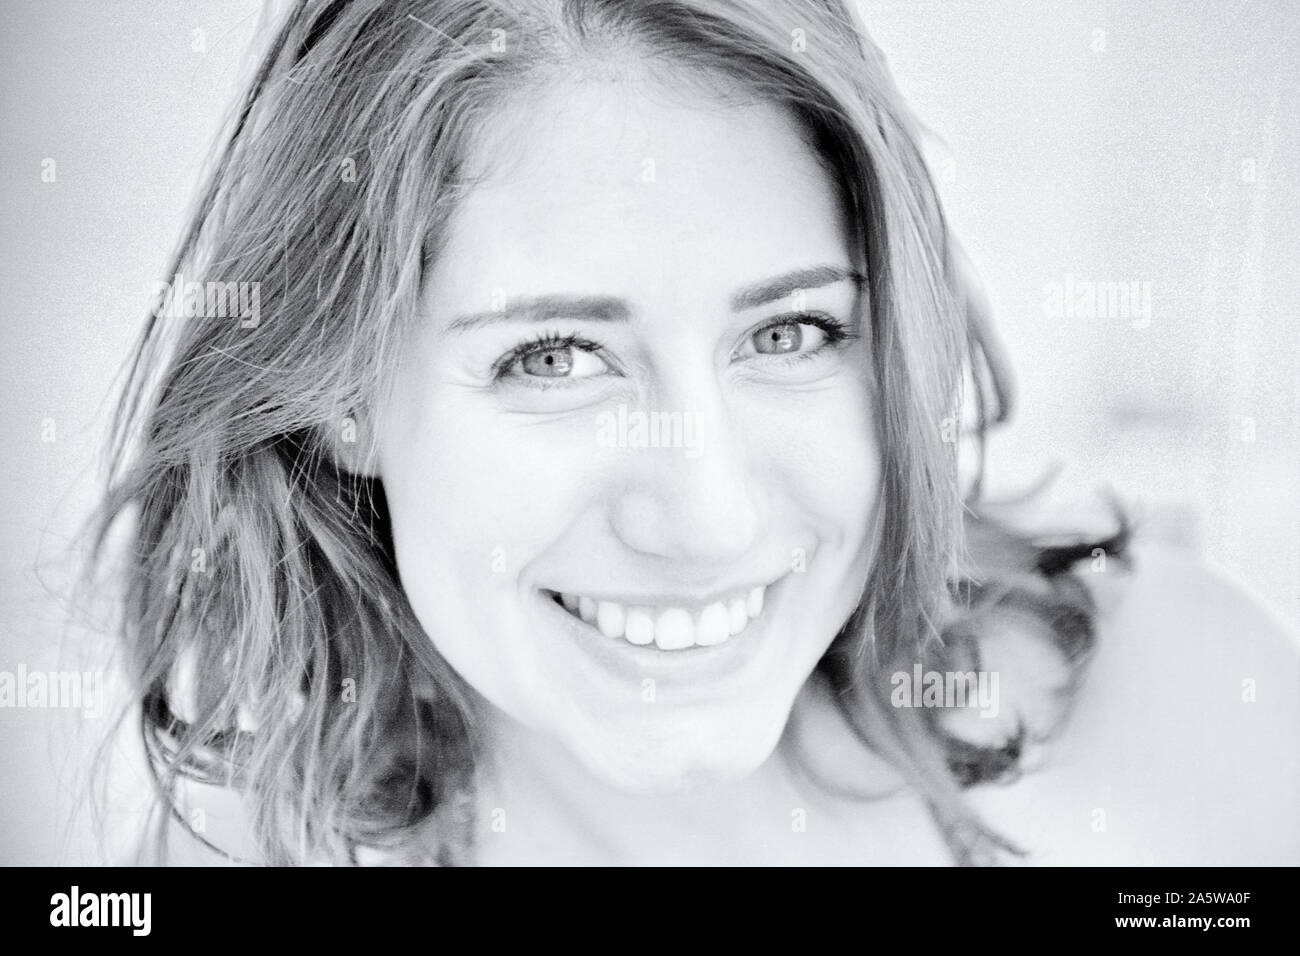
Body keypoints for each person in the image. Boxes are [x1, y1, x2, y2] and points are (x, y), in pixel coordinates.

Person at [85, 0, 1298, 866]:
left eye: (791, 334)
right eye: (552, 357)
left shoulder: (1180, 700)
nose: (709, 514)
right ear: (337, 389)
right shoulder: (251, 856)